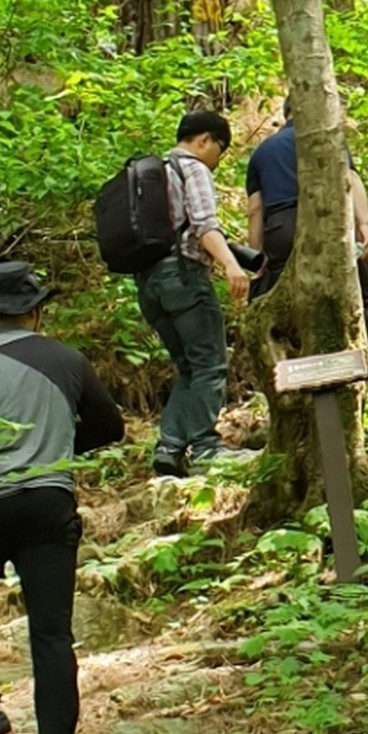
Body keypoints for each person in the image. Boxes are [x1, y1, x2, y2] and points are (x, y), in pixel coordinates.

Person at [0, 262, 124, 734]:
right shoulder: (66, 359)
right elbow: (110, 426)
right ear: (35, 311)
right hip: (49, 502)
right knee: (51, 632)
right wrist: (58, 449)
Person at [136, 110, 252, 478]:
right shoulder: (192, 168)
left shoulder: (154, 173)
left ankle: (169, 448)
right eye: (221, 149)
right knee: (210, 364)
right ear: (204, 140)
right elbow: (204, 226)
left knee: (188, 367)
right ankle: (206, 448)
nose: (219, 160)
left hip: (149, 283)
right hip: (184, 278)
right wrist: (231, 265)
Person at [246, 103, 368, 337]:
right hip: (326, 219)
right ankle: (361, 347)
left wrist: (256, 257)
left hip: (282, 227)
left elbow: (255, 209)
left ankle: (290, 353)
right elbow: (351, 178)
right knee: (357, 288)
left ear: (286, 113)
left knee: (279, 293)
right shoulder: (327, 139)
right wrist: (364, 224)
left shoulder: (262, 151)